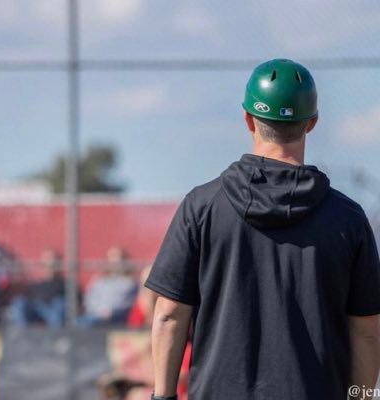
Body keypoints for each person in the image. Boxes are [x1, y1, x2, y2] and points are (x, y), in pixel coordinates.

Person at [144, 59, 380, 400]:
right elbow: (367, 332)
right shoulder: (348, 218)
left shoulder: (202, 206)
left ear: (248, 119)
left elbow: (168, 315)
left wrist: (163, 397)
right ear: (311, 122)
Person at [78, 247, 137, 327]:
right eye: (112, 257)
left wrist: (111, 311)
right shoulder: (99, 280)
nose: (115, 261)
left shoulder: (129, 282)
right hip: (95, 314)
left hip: (116, 315)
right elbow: (89, 299)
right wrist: (98, 311)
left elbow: (127, 302)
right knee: (79, 322)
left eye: (118, 257)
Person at [10, 249, 65, 328]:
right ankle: (22, 335)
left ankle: (55, 336)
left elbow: (75, 304)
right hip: (36, 309)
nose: (50, 264)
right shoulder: (36, 284)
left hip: (52, 311)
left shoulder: (65, 284)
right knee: (18, 301)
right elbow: (28, 301)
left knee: (58, 303)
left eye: (52, 261)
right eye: (47, 260)